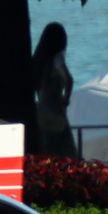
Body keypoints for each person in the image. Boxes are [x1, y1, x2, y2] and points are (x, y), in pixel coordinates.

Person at [31, 23, 76, 157]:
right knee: (63, 151)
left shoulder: (38, 60)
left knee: (44, 150)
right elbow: (69, 79)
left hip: (40, 111)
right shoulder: (57, 58)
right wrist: (65, 99)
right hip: (55, 111)